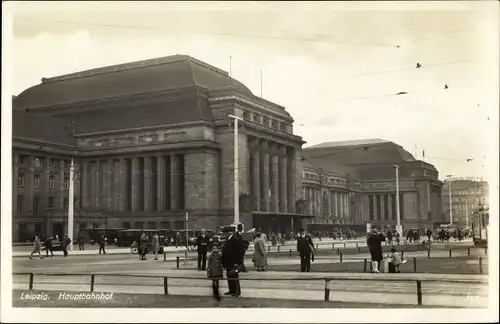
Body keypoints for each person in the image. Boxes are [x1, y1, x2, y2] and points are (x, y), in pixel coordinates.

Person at [221, 224, 245, 297]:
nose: (223, 235)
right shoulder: (230, 238)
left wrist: (237, 262)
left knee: (234, 276)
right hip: (228, 261)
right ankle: (231, 290)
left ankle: (236, 291)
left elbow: (240, 251)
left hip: (233, 262)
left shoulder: (235, 239)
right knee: (229, 276)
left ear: (229, 233)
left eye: (224, 233)